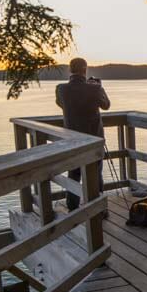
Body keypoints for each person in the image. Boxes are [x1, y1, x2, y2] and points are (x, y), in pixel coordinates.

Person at [55, 57, 110, 211]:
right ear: (85, 69)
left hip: (72, 140)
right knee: (95, 174)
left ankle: (72, 208)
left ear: (70, 70)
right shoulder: (94, 89)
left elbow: (61, 104)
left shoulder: (61, 89)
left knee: (74, 172)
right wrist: (99, 87)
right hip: (94, 139)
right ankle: (98, 209)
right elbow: (106, 105)